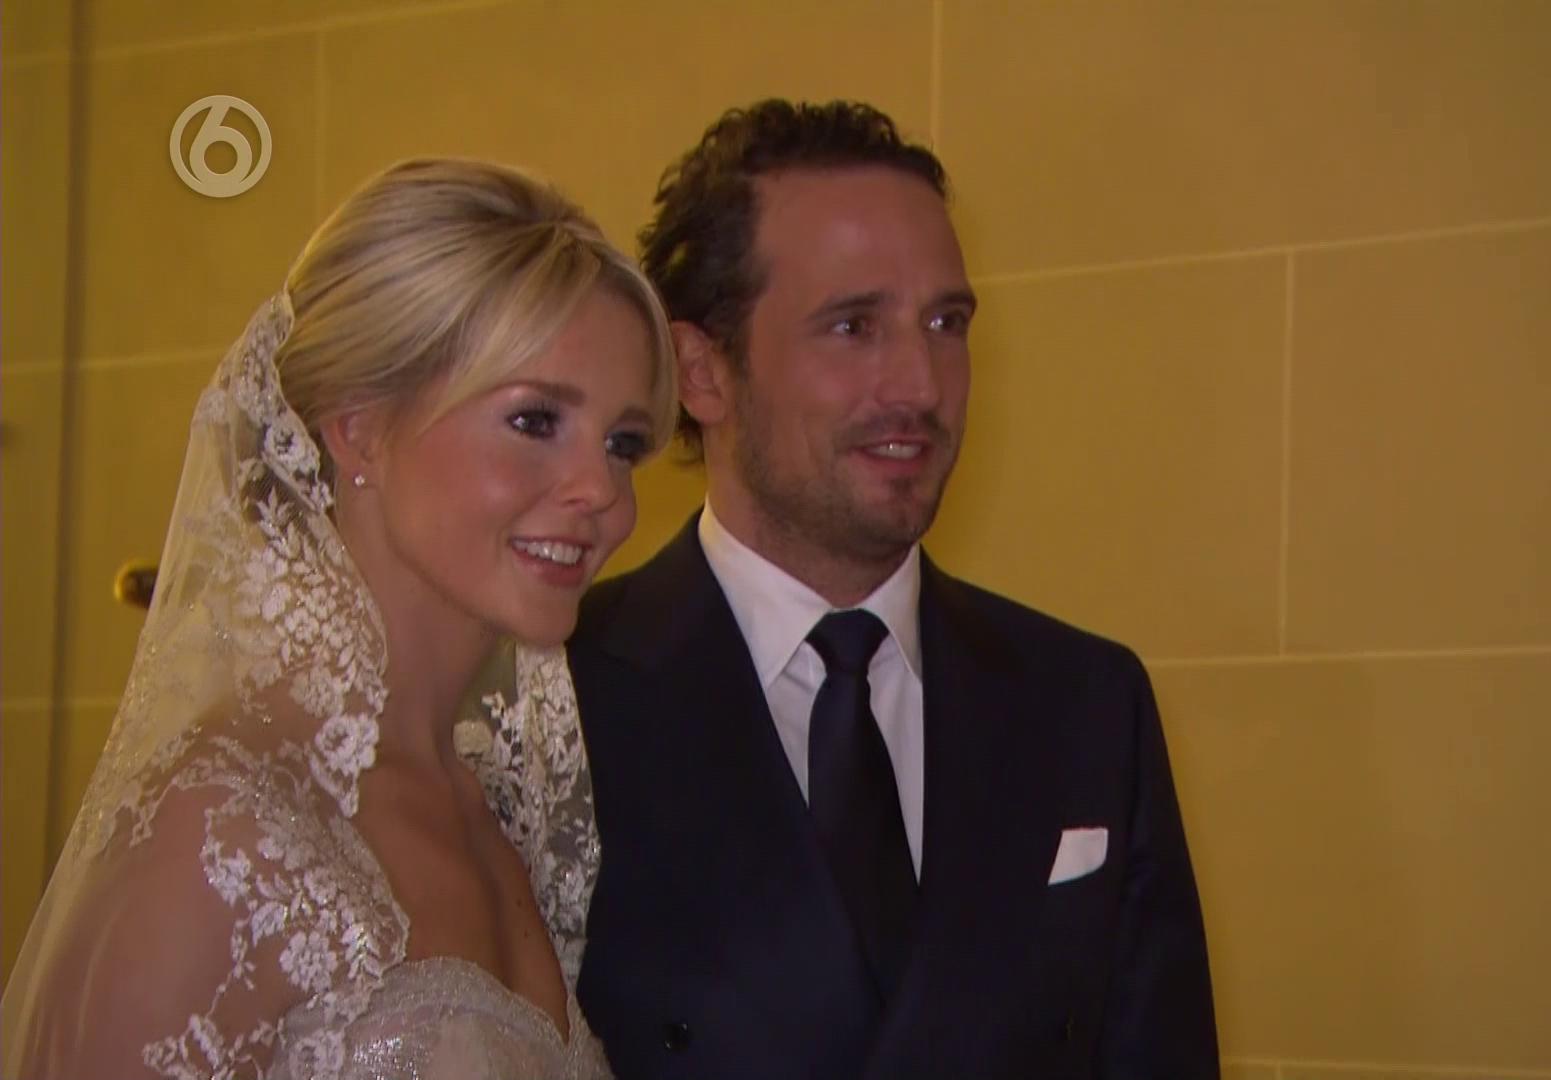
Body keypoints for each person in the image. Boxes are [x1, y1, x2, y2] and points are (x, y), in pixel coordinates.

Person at [569, 99, 1218, 1078]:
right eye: (854, 325)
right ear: (701, 371)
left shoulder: (1088, 703)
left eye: (945, 323)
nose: (920, 383)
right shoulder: (561, 697)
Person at [1, 158, 676, 1079]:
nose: (602, 491)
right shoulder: (223, 827)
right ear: (359, 427)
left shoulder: (504, 814)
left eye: (623, 443)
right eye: (534, 422)